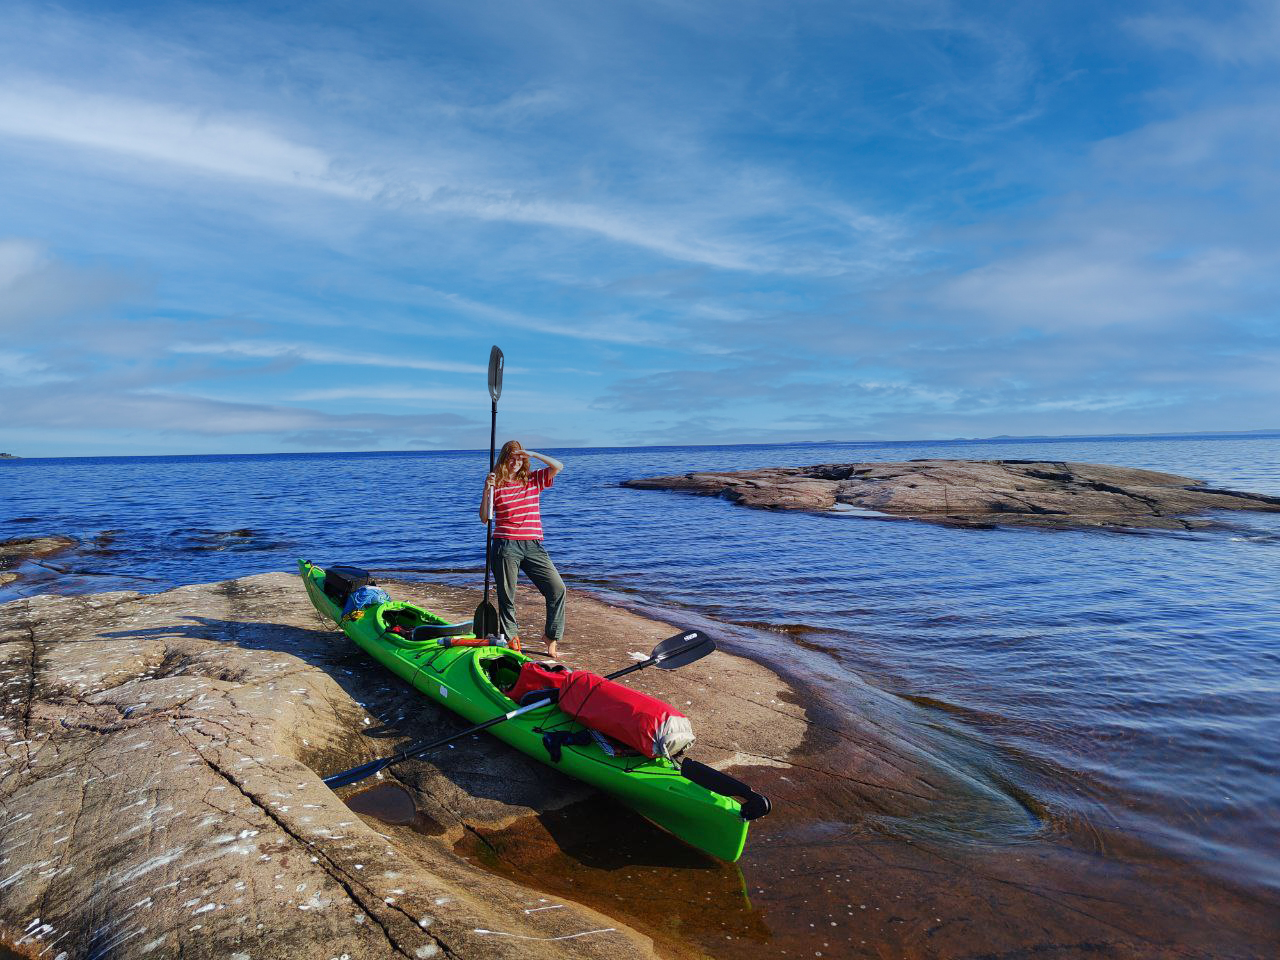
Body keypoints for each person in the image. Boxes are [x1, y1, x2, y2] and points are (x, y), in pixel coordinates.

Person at [479, 440, 566, 657]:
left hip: (533, 544)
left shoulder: (533, 479)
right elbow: (484, 518)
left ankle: (551, 637)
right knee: (507, 596)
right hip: (505, 545)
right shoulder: (496, 484)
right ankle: (512, 638)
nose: (516, 462)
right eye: (512, 457)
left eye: (520, 458)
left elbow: (558, 466)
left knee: (557, 589)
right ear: (504, 459)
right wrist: (486, 489)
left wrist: (534, 453)